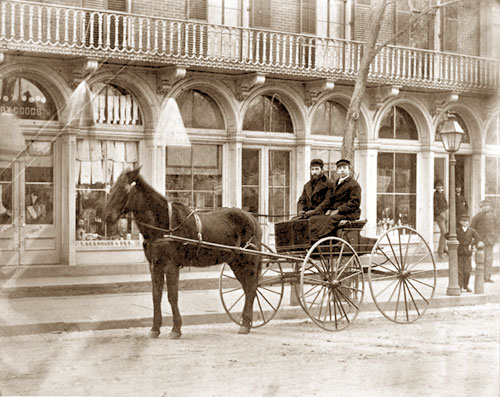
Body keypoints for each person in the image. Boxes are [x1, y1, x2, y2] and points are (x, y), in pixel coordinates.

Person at [309, 159, 361, 240]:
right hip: (336, 212)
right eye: (340, 168)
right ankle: (313, 239)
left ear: (349, 170)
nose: (342, 170)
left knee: (329, 220)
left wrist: (338, 210)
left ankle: (318, 239)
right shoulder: (335, 184)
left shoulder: (354, 185)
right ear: (337, 171)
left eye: (344, 168)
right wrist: (329, 209)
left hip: (349, 213)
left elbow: (354, 203)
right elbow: (329, 199)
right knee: (315, 218)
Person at [471, 200, 498, 283]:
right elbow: (472, 229)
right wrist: (477, 240)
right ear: (481, 207)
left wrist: (494, 239)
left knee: (489, 259)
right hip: (480, 242)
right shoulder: (477, 217)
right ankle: (480, 277)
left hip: (489, 241)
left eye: (487, 206)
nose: (485, 208)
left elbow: (497, 228)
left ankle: (487, 277)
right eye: (483, 206)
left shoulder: (494, 217)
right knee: (480, 259)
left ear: (489, 207)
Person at [456, 214, 481, 293]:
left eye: (467, 221)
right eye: (463, 221)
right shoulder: (457, 230)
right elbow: (447, 235)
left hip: (467, 252)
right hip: (459, 252)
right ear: (460, 222)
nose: (465, 223)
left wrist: (472, 244)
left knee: (467, 271)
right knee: (459, 271)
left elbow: (478, 238)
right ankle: (459, 286)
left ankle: (465, 286)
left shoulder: (472, 230)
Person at [433, 180, 448, 260]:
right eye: (437, 186)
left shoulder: (442, 194)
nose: (439, 187)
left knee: (446, 232)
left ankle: (445, 248)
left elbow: (445, 204)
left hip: (444, 213)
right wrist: (440, 213)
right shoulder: (435, 195)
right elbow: (435, 208)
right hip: (439, 215)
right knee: (444, 233)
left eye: (440, 186)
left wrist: (445, 211)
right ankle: (440, 251)